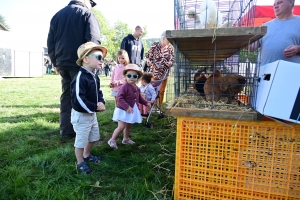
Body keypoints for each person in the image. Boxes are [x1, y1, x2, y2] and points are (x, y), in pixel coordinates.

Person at [47, 0, 101, 141]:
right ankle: (84, 131)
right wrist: (93, 61)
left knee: (67, 96)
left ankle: (67, 131)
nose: (92, 6)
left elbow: (50, 43)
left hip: (63, 63)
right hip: (81, 64)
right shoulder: (87, 13)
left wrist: (55, 62)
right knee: (84, 95)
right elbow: (93, 41)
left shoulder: (57, 15)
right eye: (91, 3)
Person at [70, 42, 107, 174]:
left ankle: (87, 155)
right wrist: (95, 107)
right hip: (81, 115)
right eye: (99, 57)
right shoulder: (81, 77)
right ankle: (80, 162)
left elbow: (99, 92)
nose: (102, 60)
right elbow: (79, 99)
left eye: (103, 58)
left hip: (91, 113)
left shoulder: (95, 76)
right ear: (85, 59)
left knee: (94, 137)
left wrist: (101, 102)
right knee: (81, 140)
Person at [108, 64, 151, 149]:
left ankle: (126, 139)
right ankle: (112, 140)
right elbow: (119, 98)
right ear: (125, 76)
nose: (132, 77)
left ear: (138, 78)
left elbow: (139, 98)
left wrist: (146, 103)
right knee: (121, 126)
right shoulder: (124, 87)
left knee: (128, 125)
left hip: (131, 109)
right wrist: (126, 107)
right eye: (129, 75)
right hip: (123, 109)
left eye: (134, 76)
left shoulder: (136, 88)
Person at [250, 0, 300, 65]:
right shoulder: (266, 25)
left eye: (279, 2)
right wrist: (241, 39)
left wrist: (298, 49)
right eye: (274, 4)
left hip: (289, 72)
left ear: (290, 2)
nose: (275, 6)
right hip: (264, 73)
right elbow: (252, 47)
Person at [145, 34, 174, 108]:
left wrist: (170, 63)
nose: (169, 42)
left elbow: (172, 59)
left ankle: (159, 106)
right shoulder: (155, 45)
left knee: (161, 91)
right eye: (168, 40)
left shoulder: (170, 47)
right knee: (152, 90)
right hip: (154, 72)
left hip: (164, 73)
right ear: (163, 38)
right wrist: (148, 61)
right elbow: (148, 56)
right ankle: (152, 105)